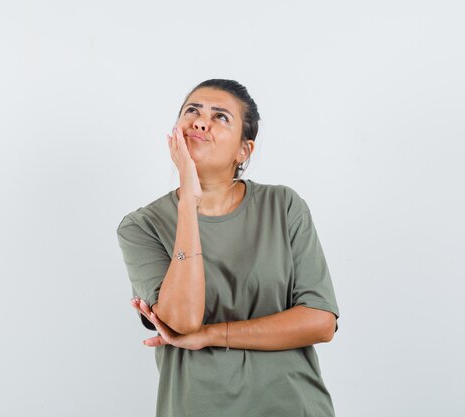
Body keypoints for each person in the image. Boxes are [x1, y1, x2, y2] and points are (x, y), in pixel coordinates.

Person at [116, 79, 340, 417]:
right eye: (192, 110)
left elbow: (320, 322)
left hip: (291, 407)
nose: (201, 120)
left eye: (220, 117)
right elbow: (182, 320)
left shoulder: (283, 206)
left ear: (243, 151)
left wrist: (212, 335)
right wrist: (188, 203)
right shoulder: (141, 227)